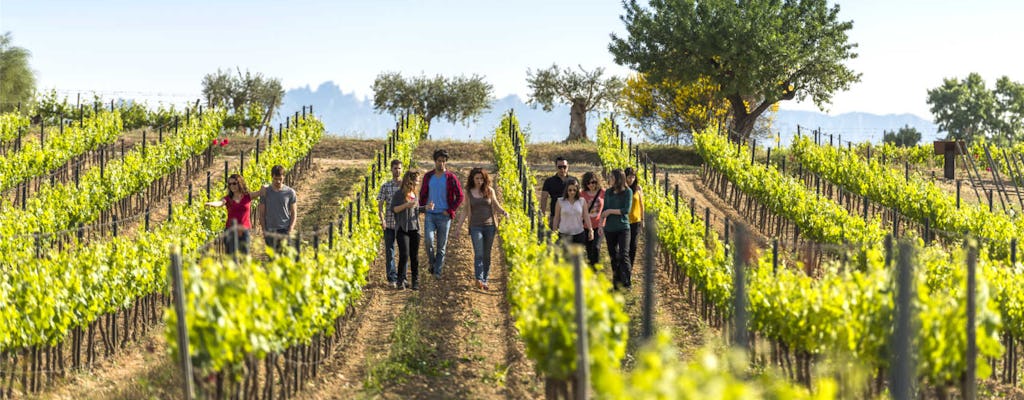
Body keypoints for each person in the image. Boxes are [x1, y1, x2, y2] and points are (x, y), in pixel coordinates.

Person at [419, 149, 464, 280]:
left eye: (444, 161)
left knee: (441, 246)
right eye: (439, 161)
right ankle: (432, 262)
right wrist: (423, 207)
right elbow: (423, 194)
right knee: (428, 240)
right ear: (435, 161)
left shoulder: (451, 178)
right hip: (430, 215)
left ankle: (437, 272)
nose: (441, 164)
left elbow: (460, 196)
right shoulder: (428, 176)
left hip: (444, 216)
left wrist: (450, 210)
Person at [460, 167, 508, 290]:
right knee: (479, 253)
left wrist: (504, 212)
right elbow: (465, 210)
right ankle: (479, 279)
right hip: (475, 226)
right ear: (472, 179)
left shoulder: (490, 191)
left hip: (490, 226)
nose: (479, 181)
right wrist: (459, 227)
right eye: (477, 178)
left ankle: (485, 279)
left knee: (487, 255)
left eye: (481, 178)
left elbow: (496, 205)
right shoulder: (469, 192)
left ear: (485, 179)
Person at [205, 173, 263, 254]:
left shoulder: (248, 196)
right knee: (231, 259)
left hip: (244, 231)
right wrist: (212, 204)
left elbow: (260, 192)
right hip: (230, 231)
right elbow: (220, 203)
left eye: (234, 183)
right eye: (230, 184)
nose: (232, 186)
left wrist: (265, 187)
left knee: (245, 257)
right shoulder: (227, 198)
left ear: (240, 183)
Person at [393, 171, 430, 290]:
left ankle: (415, 281)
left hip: (414, 229)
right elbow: (394, 209)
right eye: (417, 180)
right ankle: (400, 280)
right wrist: (405, 206)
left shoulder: (414, 194)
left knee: (414, 256)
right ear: (410, 181)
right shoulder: (399, 194)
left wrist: (426, 208)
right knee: (404, 254)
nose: (418, 182)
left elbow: (416, 210)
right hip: (402, 228)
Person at [601, 169, 633, 290]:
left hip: (623, 227)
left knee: (623, 254)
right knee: (613, 255)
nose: (610, 179)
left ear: (618, 179)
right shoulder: (608, 192)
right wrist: (600, 225)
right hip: (609, 228)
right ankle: (616, 282)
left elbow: (626, 210)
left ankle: (627, 281)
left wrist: (610, 211)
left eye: (612, 177)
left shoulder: (628, 192)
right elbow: (605, 209)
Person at [377, 159, 403, 288]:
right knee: (390, 252)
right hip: (389, 224)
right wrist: (382, 220)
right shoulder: (385, 187)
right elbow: (380, 206)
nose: (397, 171)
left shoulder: (406, 187)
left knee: (404, 252)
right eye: (395, 168)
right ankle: (392, 278)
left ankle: (402, 278)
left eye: (399, 168)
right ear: (391, 169)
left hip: (403, 224)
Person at [262, 165, 298, 254]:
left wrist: (290, 229)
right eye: (275, 179)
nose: (278, 181)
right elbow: (261, 213)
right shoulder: (265, 192)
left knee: (285, 259)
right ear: (271, 177)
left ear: (284, 177)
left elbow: (294, 212)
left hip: (284, 229)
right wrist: (264, 230)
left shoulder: (290, 192)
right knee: (272, 260)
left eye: (280, 179)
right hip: (270, 230)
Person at [553, 178, 593, 249]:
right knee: (565, 258)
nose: (572, 192)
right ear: (566, 190)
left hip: (579, 234)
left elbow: (586, 216)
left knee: (577, 257)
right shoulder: (560, 201)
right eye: (570, 190)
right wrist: (554, 231)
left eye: (574, 190)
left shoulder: (582, 201)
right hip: (564, 234)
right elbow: (556, 217)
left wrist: (590, 229)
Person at [540, 157, 577, 229]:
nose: (562, 169)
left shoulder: (574, 180)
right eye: (560, 167)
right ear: (556, 167)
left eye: (564, 167)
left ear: (568, 166)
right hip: (555, 216)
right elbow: (544, 198)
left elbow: (579, 197)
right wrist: (543, 214)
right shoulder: (549, 181)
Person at [580, 171, 605, 267]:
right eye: (588, 183)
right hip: (585, 226)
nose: (591, 185)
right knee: (589, 249)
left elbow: (606, 207)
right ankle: (592, 270)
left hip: (599, 226)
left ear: (597, 182)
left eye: (593, 182)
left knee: (596, 247)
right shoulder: (582, 194)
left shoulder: (603, 192)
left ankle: (596, 270)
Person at [624, 167, 645, 268]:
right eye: (629, 177)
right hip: (624, 221)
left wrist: (642, 219)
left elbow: (641, 205)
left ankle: (629, 268)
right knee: (624, 246)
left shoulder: (638, 189)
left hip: (636, 221)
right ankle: (623, 265)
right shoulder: (622, 189)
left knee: (633, 245)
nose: (631, 179)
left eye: (633, 177)